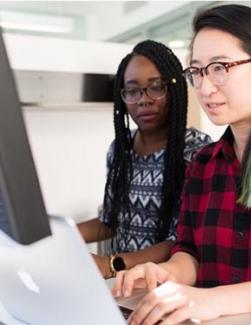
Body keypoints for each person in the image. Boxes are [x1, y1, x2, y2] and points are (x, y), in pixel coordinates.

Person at [113, 4, 251, 325]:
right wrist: (163, 273)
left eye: (220, 67)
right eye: (197, 71)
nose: (205, 87)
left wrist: (212, 300)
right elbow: (190, 252)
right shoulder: (204, 164)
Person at [78, 40, 211, 279]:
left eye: (156, 87)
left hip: (171, 287)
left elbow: (181, 240)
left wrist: (111, 264)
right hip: (125, 287)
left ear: (175, 89)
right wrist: (59, 235)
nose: (143, 99)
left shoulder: (196, 152)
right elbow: (110, 221)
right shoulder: (120, 149)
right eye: (132, 90)